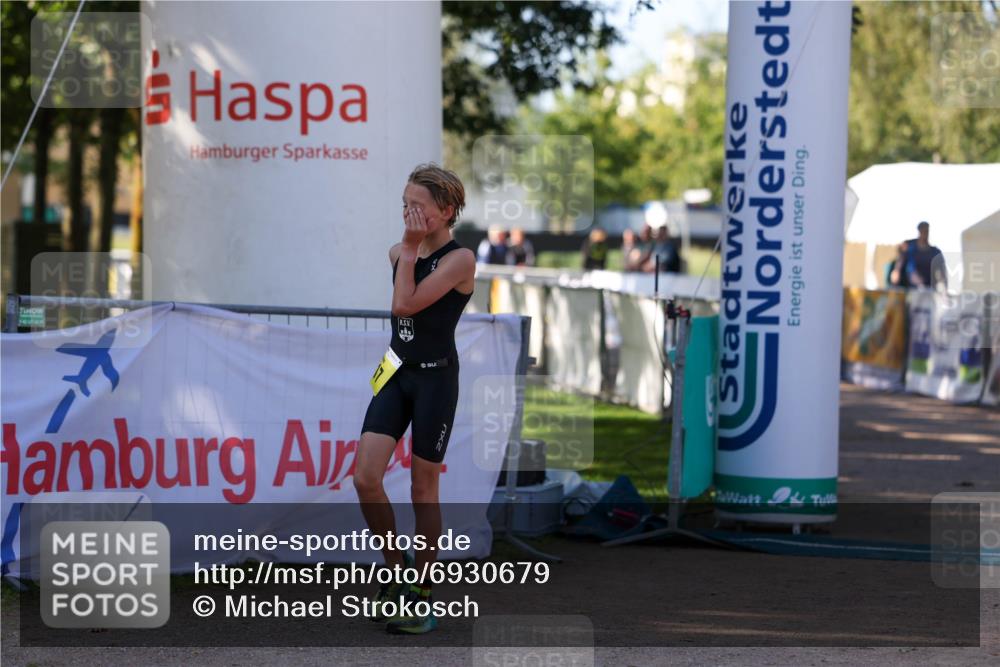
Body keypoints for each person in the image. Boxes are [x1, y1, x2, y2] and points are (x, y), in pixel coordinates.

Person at [356, 163, 475, 635]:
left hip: (435, 382)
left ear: (445, 211)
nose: (408, 212)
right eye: (404, 202)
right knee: (365, 478)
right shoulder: (398, 252)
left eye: (418, 205)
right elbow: (400, 307)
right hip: (395, 372)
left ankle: (422, 590)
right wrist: (407, 250)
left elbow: (405, 305)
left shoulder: (459, 260)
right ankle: (396, 570)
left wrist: (409, 250)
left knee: (423, 489)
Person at [901, 221, 947, 290]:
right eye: (923, 231)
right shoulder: (911, 250)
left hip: (931, 291)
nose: (925, 234)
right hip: (913, 290)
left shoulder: (935, 252)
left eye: (926, 231)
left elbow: (942, 274)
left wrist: (942, 287)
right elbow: (910, 269)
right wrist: (919, 283)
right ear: (919, 232)